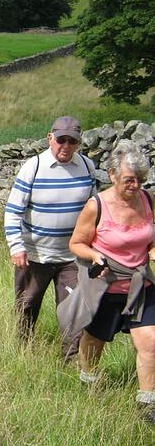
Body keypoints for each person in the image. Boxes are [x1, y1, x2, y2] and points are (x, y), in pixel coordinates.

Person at [63, 141, 155, 421]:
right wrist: (94, 256)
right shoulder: (96, 206)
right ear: (113, 175)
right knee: (95, 339)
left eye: (141, 180)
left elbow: (151, 242)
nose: (136, 186)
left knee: (150, 342)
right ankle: (88, 380)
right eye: (130, 180)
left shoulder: (149, 200)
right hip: (105, 287)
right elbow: (76, 243)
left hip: (141, 286)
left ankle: (147, 404)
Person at [4, 116, 96, 360]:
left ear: (78, 142)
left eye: (71, 141)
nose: (65, 146)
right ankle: (23, 352)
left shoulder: (87, 167)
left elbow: (94, 210)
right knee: (26, 306)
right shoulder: (33, 166)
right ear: (50, 138)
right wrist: (17, 247)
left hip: (72, 258)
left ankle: (71, 361)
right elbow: (13, 211)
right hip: (34, 256)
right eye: (60, 140)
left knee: (73, 311)